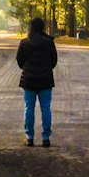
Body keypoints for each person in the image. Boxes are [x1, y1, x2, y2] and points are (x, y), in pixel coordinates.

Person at [16, 15, 57, 147]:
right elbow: (54, 60)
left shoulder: (24, 43)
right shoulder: (49, 42)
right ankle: (46, 137)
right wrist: (45, 68)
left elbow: (20, 61)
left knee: (29, 107)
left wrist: (28, 69)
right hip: (45, 79)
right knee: (46, 107)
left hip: (28, 80)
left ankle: (30, 136)